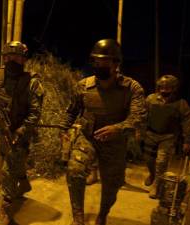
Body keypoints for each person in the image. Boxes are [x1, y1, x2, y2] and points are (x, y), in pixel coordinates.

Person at [60, 39, 146, 225]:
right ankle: (78, 217)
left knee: (112, 185)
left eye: (104, 62)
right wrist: (64, 128)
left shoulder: (132, 88)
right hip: (87, 137)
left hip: (115, 143)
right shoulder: (83, 86)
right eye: (96, 62)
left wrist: (118, 128)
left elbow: (138, 118)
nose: (99, 66)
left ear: (116, 63)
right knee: (74, 171)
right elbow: (72, 110)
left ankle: (103, 214)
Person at [0, 41, 44, 225]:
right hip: (1, 128)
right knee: (10, 159)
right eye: (9, 57)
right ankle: (23, 182)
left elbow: (35, 113)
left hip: (21, 131)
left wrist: (21, 131)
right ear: (4, 57)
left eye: (17, 57)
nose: (12, 60)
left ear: (24, 60)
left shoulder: (32, 83)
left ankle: (6, 207)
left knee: (9, 167)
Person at [143, 75, 190, 198]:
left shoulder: (180, 104)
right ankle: (152, 175)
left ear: (174, 89)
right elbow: (142, 114)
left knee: (161, 161)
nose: (164, 90)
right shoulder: (151, 99)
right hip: (150, 134)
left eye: (168, 88)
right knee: (148, 159)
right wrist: (139, 130)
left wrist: (187, 140)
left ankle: (157, 184)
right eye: (162, 87)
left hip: (168, 136)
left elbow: (188, 121)